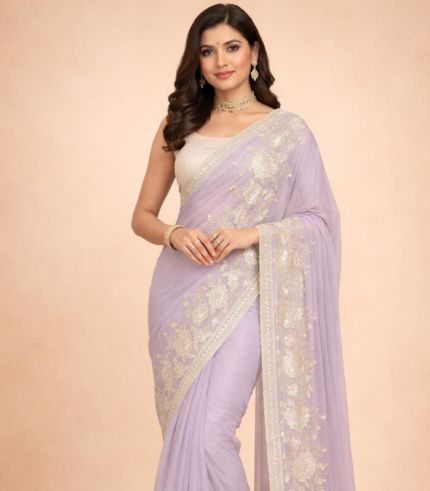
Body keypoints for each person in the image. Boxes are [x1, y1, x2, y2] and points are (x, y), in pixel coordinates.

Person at [131, 4, 356, 491]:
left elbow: (319, 220)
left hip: (248, 293)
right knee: (185, 434)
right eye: (207, 51)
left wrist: (251, 234)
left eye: (231, 47)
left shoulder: (288, 132)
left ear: (253, 52)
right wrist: (174, 233)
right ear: (197, 60)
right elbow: (142, 217)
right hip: (178, 295)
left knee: (211, 431)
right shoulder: (177, 126)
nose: (220, 61)